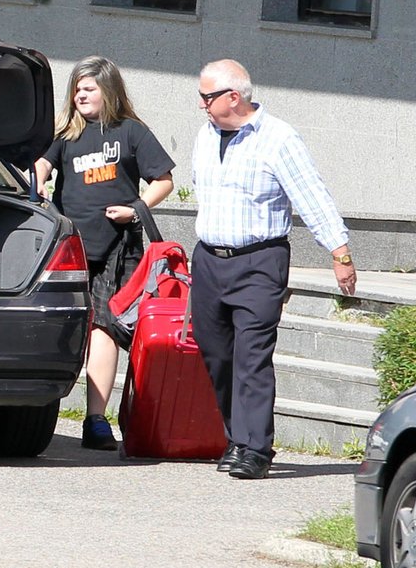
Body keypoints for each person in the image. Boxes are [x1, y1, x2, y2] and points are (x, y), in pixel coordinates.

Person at [190, 59, 356, 480]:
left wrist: (339, 252)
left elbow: (310, 195)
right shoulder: (205, 135)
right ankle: (236, 438)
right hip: (209, 259)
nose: (201, 105)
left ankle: (256, 448)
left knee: (252, 356)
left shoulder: (278, 138)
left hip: (259, 261)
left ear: (234, 97)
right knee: (216, 355)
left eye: (207, 96)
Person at [34, 56, 175, 450]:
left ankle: (95, 420)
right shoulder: (66, 134)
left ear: (108, 91)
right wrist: (40, 182)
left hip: (118, 250)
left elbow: (163, 180)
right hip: (70, 250)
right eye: (77, 88)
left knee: (106, 328)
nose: (81, 94)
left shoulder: (131, 132)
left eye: (89, 88)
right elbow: (40, 165)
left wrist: (136, 209)